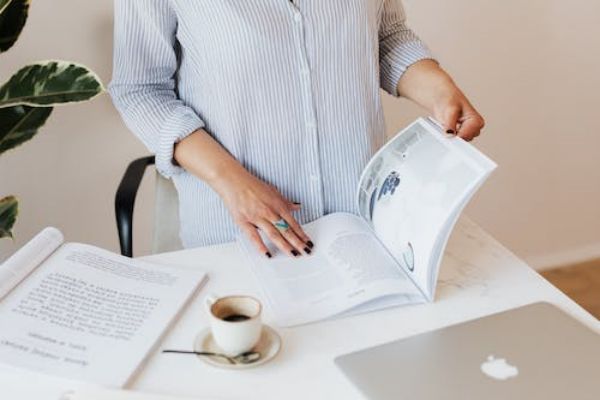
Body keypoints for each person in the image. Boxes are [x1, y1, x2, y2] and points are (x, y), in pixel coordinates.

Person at [108, 0, 484, 259]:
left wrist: (440, 91)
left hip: (365, 227)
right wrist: (232, 182)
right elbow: (140, 89)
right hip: (241, 240)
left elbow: (385, 36)